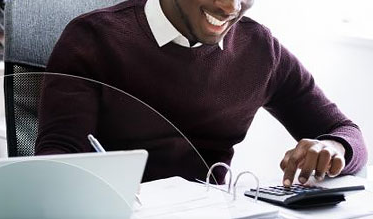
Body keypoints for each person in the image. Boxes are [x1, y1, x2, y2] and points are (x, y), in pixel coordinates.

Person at [36, 0, 368, 186]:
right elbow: (54, 165)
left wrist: (332, 147)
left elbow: (348, 134)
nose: (231, 6)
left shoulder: (260, 50)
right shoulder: (93, 38)